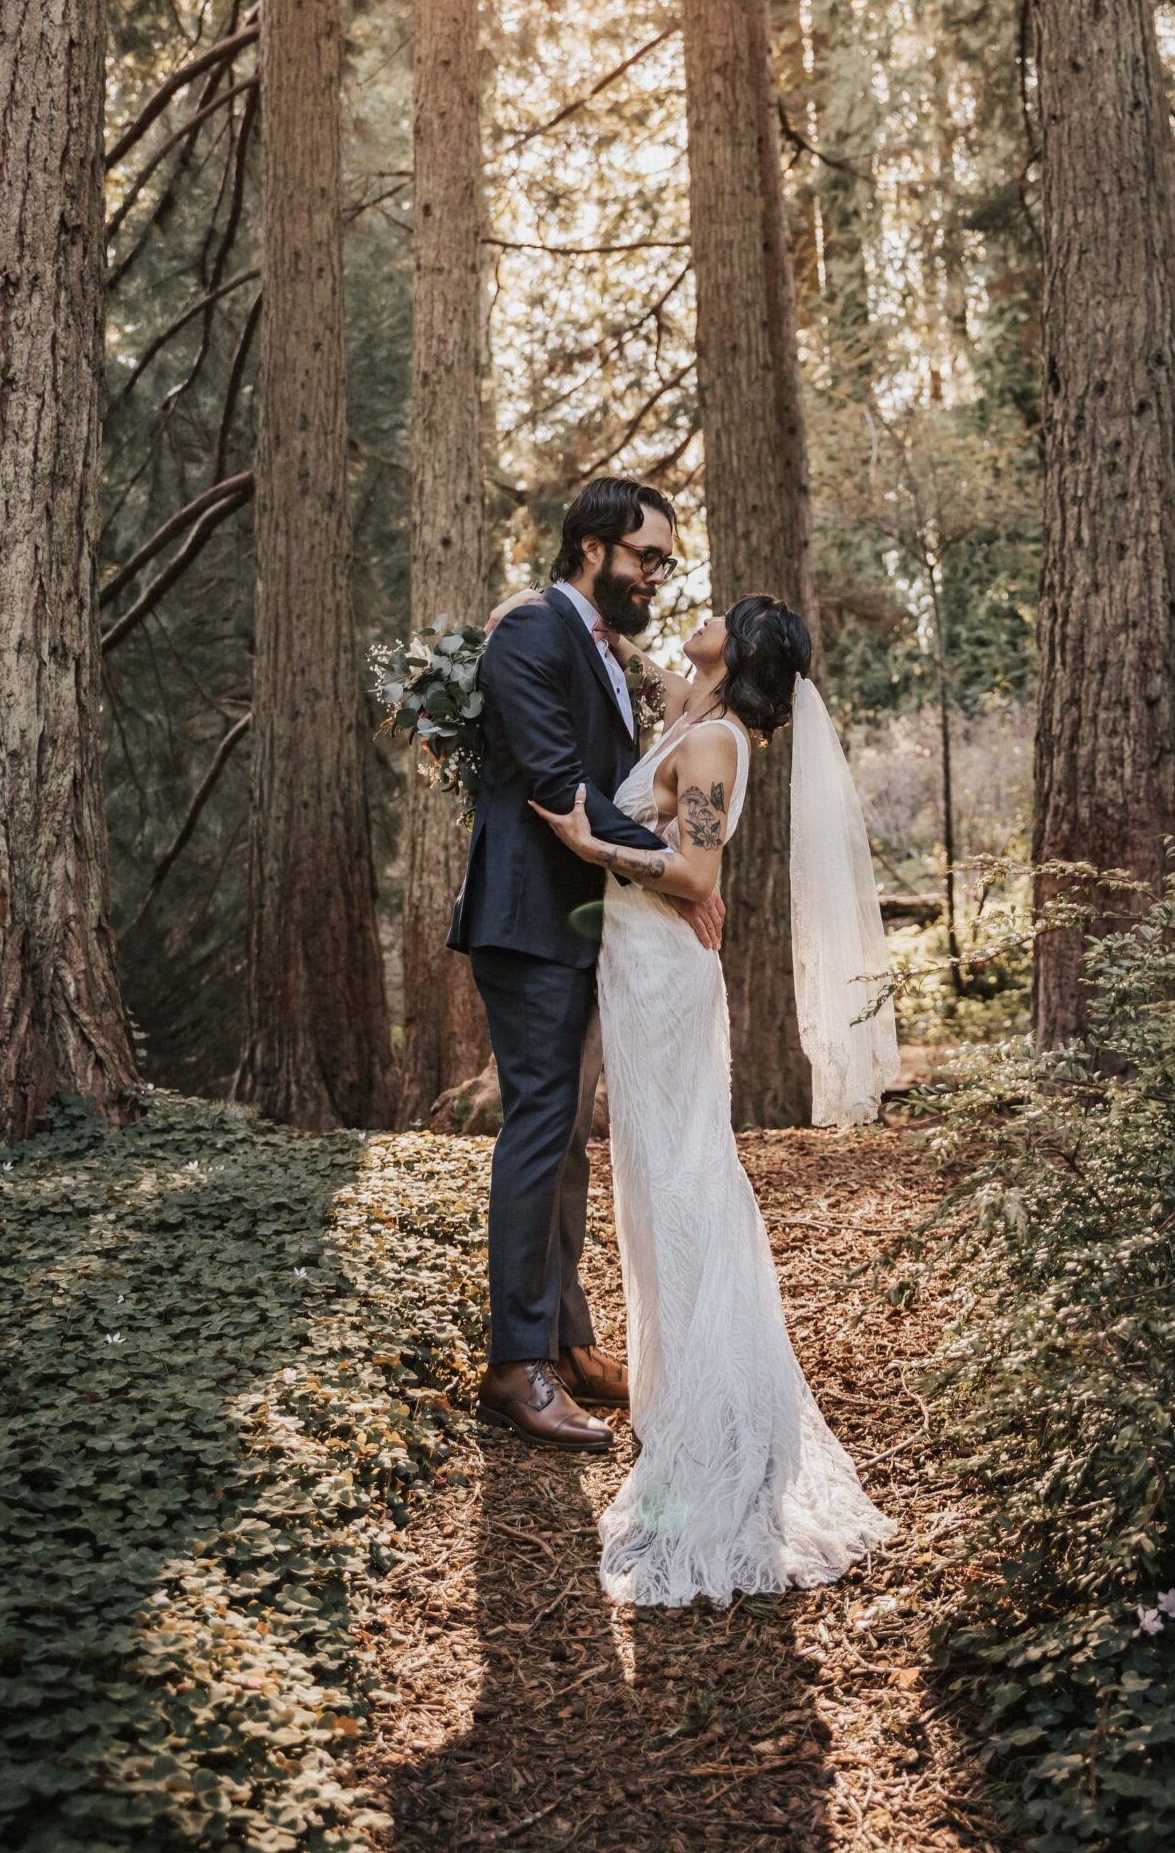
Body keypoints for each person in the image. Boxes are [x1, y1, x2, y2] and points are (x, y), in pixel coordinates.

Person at [533, 596, 900, 1606]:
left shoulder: (716, 748)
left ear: (741, 652)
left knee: (684, 1177)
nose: (702, 614)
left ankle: (718, 1421)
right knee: (659, 1183)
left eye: (721, 615)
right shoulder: (697, 719)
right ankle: (688, 1395)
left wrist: (584, 840)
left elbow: (694, 870)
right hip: (639, 965)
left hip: (661, 980)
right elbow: (634, 665)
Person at [449, 477, 723, 1454]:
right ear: (591, 546)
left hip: (578, 922)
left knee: (566, 1138)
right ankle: (515, 1364)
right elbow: (559, 784)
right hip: (526, 921)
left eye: (663, 563)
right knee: (538, 1131)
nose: (657, 576)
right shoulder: (530, 632)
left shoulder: (606, 652)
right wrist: (678, 876)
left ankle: (564, 1341)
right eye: (647, 556)